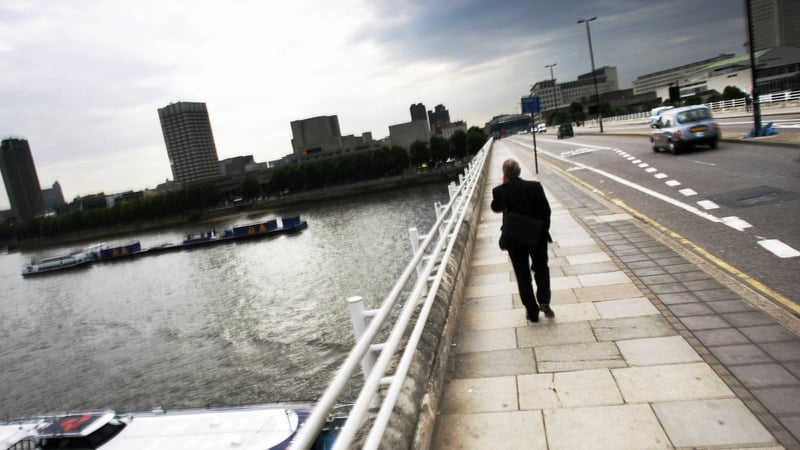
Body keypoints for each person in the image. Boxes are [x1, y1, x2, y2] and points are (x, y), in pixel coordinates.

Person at [491, 159, 553, 323]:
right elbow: (546, 211)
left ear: (504, 174)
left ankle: (532, 312)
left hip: (514, 239)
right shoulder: (535, 187)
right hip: (536, 236)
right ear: (519, 171)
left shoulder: (500, 191)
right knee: (541, 268)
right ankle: (544, 301)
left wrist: (504, 185)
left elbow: (495, 207)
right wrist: (543, 230)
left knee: (522, 275)